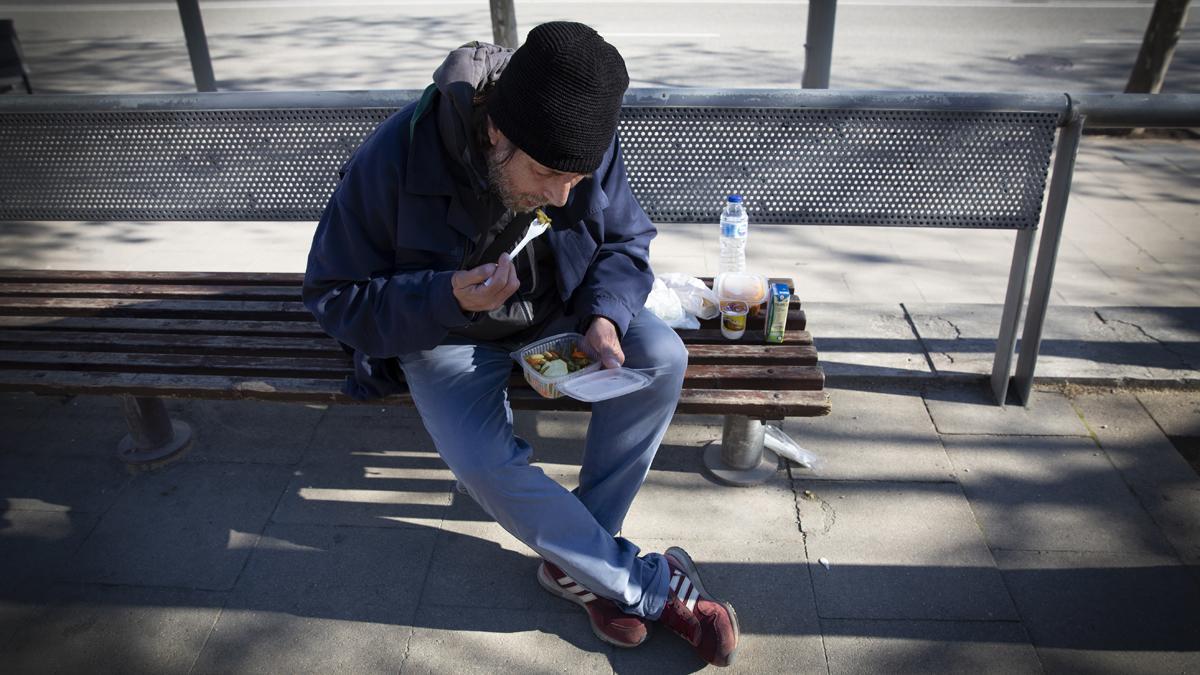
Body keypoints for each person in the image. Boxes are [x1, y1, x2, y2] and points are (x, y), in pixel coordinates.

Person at [302, 21, 738, 666]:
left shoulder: (579, 136)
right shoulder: (395, 156)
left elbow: (623, 240)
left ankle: (577, 558)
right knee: (481, 463)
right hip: (445, 333)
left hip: (559, 307)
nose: (564, 194)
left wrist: (605, 318)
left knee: (664, 358)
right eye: (548, 173)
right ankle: (641, 585)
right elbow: (335, 296)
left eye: (577, 176)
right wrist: (446, 295)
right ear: (496, 132)